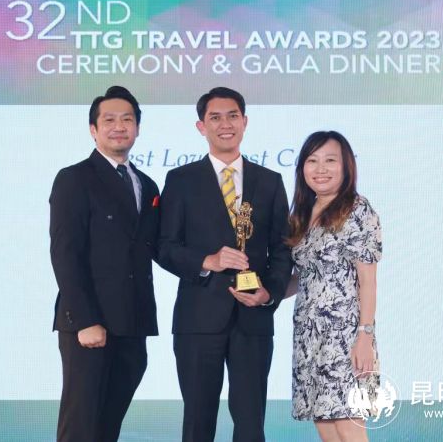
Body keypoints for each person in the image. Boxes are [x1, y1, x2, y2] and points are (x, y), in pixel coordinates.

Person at [158, 87, 292, 442]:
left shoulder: (270, 181)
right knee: (198, 422)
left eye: (232, 116)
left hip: (253, 319)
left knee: (251, 424)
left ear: (245, 122)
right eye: (215, 118)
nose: (225, 124)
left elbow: (283, 250)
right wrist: (207, 261)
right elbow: (164, 246)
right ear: (201, 126)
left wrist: (269, 293)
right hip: (198, 319)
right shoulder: (181, 180)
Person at [49, 86, 160, 442]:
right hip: (90, 324)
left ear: (137, 128)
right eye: (109, 120)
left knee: (107, 428)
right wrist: (86, 320)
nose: (119, 127)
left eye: (127, 119)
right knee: (80, 427)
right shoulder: (74, 178)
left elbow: (156, 247)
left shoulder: (147, 184)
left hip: (133, 324)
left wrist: (208, 261)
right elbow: (65, 253)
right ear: (93, 129)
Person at [285, 131, 382, 442]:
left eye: (330, 160)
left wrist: (365, 336)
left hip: (345, 334)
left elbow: (368, 280)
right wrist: (263, 292)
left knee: (348, 423)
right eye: (312, 161)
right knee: (325, 425)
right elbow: (305, 277)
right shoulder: (301, 214)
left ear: (346, 166)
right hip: (308, 333)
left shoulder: (357, 209)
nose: (320, 169)